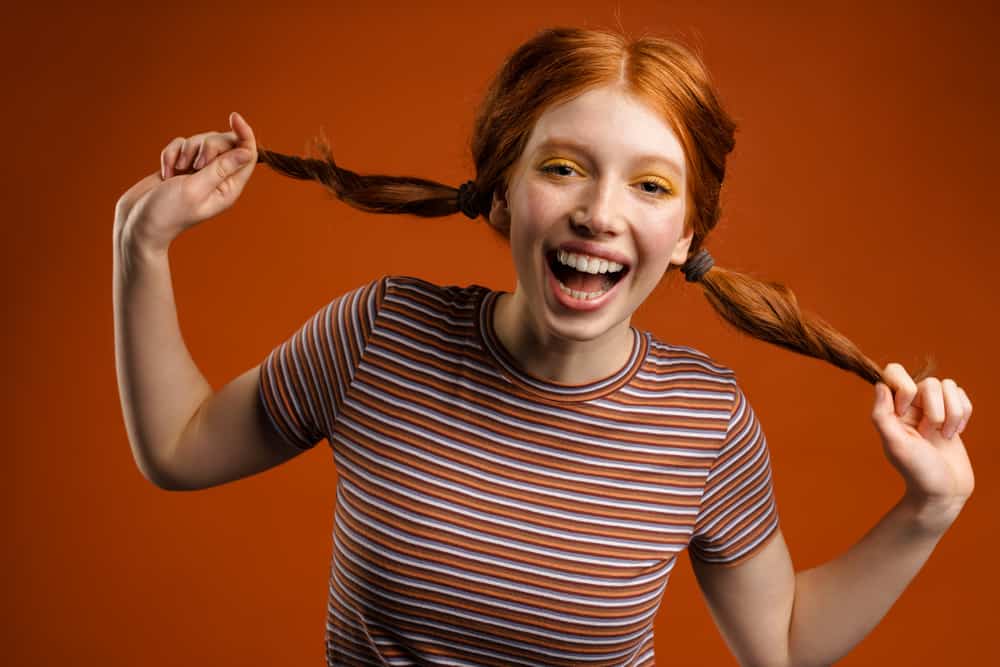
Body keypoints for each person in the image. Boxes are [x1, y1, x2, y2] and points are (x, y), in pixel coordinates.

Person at [113, 26, 975, 667]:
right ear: (499, 196)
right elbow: (180, 446)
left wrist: (925, 510)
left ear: (683, 234)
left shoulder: (706, 422)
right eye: (562, 167)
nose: (601, 211)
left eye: (649, 184)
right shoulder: (380, 336)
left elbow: (780, 643)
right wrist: (139, 246)